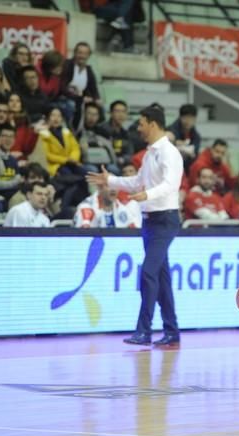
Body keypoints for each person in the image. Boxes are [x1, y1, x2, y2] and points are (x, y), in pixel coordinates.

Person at [87, 106, 182, 347]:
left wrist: (147, 194)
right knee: (162, 277)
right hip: (150, 220)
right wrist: (111, 180)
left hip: (164, 219)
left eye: (141, 123)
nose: (138, 128)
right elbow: (137, 181)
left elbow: (171, 185)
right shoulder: (150, 153)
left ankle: (144, 330)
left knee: (149, 273)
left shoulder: (168, 152)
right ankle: (171, 331)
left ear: (153, 124)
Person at [74, 185, 142, 228]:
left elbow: (134, 232)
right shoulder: (87, 208)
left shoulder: (122, 209)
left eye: (116, 186)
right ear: (100, 188)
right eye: (109, 185)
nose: (113, 189)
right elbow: (82, 236)